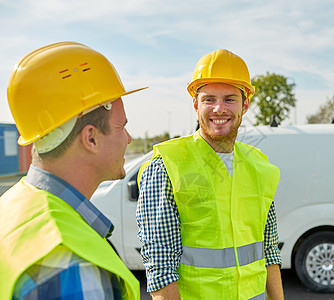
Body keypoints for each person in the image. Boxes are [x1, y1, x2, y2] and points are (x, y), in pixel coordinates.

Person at [0, 42, 147, 299]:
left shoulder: (13, 205)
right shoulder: (73, 265)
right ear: (91, 138)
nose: (129, 138)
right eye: (120, 127)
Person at [136, 49, 284, 299]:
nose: (218, 109)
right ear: (195, 105)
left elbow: (269, 252)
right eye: (208, 99)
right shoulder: (167, 166)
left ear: (245, 105)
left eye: (229, 99)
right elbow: (160, 269)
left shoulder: (260, 167)